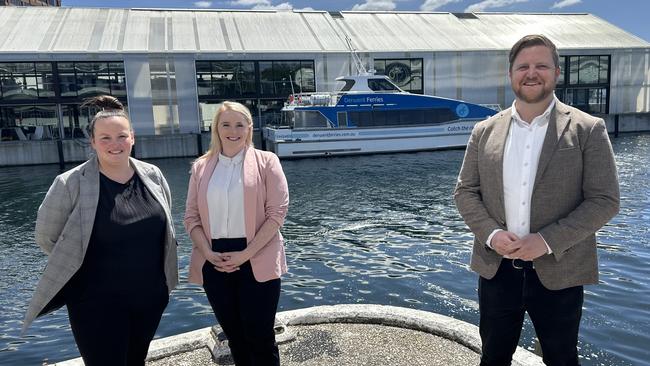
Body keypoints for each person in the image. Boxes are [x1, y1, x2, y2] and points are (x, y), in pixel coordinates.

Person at [454, 34, 620, 366]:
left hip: (560, 270)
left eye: (541, 65)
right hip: (496, 269)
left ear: (557, 72)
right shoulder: (484, 131)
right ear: (511, 74)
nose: (532, 73)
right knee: (493, 357)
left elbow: (604, 200)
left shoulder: (588, 129)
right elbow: (465, 192)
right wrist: (491, 234)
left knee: (561, 358)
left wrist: (545, 241)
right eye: (523, 66)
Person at [22, 96, 179, 366]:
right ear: (92, 142)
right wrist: (78, 258)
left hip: (149, 298)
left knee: (135, 360)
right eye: (105, 138)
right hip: (95, 302)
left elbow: (164, 228)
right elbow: (46, 236)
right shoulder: (70, 183)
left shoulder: (152, 175)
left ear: (132, 138)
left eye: (121, 136)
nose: (114, 144)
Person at [184, 101, 289, 366]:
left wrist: (245, 254)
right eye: (226, 124)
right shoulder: (201, 167)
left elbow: (277, 214)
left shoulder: (267, 162)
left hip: (257, 255)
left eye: (240, 124)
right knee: (235, 337)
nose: (233, 130)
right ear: (215, 129)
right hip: (214, 259)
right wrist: (208, 253)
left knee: (260, 336)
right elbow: (191, 217)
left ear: (250, 128)